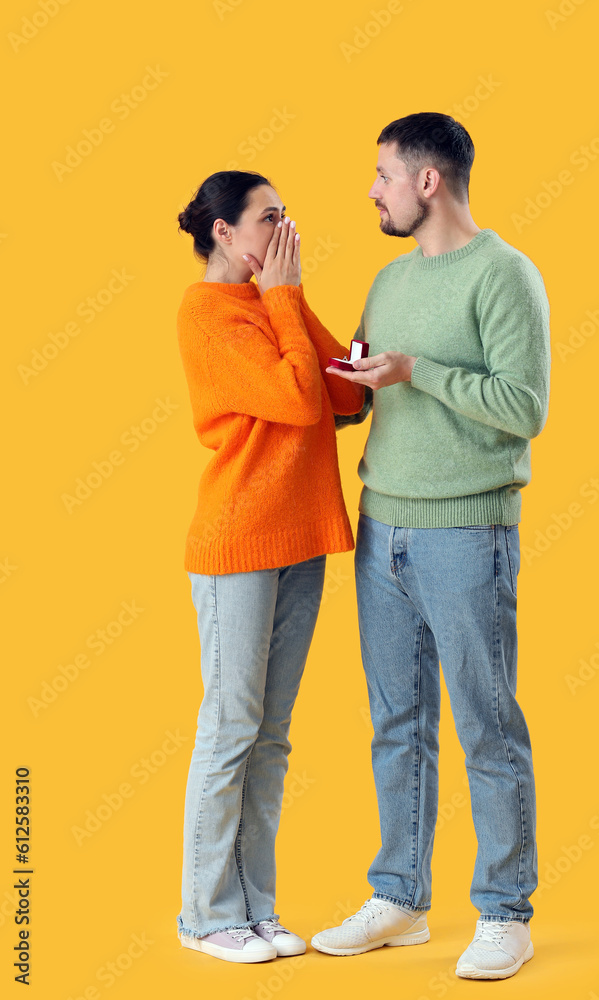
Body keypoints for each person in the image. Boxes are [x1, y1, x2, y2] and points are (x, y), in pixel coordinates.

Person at [310, 112, 551, 981]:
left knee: (486, 724)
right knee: (396, 724)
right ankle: (402, 898)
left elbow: (524, 408)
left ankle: (504, 912)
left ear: (427, 181)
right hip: (383, 528)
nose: (370, 189)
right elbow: (366, 397)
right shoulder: (384, 278)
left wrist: (418, 372)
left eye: (380, 174)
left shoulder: (505, 276)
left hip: (467, 532)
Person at [175, 170, 364, 964]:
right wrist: (287, 298)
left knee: (271, 735)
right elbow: (294, 399)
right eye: (268, 217)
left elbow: (346, 396)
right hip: (239, 541)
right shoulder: (207, 311)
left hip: (298, 540)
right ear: (224, 231)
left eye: (287, 213)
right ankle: (205, 914)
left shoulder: (272, 301)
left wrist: (292, 301)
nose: (284, 229)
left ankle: (255, 907)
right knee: (230, 728)